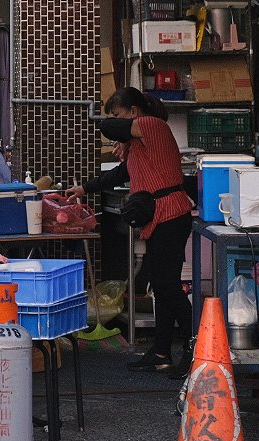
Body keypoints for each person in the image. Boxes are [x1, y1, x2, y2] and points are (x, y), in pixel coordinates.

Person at [68, 86, 193, 373]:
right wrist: (85, 188)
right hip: (158, 220)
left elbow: (109, 127)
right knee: (161, 288)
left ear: (133, 113)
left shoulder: (152, 125)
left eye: (119, 113)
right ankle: (161, 352)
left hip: (171, 216)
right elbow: (119, 174)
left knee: (169, 288)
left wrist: (122, 132)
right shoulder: (139, 144)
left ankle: (194, 348)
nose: (115, 119)